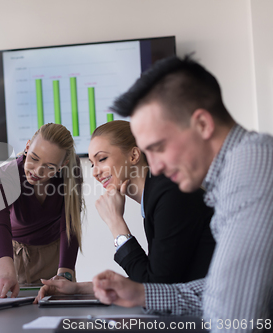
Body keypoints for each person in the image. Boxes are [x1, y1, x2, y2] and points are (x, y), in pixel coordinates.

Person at [92, 56, 273, 332]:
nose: (154, 166)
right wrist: (141, 294)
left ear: (202, 124)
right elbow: (217, 288)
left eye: (159, 147)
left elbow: (236, 319)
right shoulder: (230, 176)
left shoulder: (252, 167)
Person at [36, 120, 215, 300]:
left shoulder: (171, 196)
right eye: (92, 163)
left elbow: (156, 289)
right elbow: (152, 279)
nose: (95, 172)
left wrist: (116, 223)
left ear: (134, 155)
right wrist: (77, 289)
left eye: (102, 159)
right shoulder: (158, 196)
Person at [0, 123, 84, 298]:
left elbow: (70, 225)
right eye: (34, 158)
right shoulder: (3, 179)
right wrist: (7, 273)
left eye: (50, 167)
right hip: (8, 253)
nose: (37, 171)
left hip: (52, 254)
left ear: (63, 164)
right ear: (27, 146)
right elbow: (0, 228)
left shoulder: (71, 174)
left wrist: (65, 274)